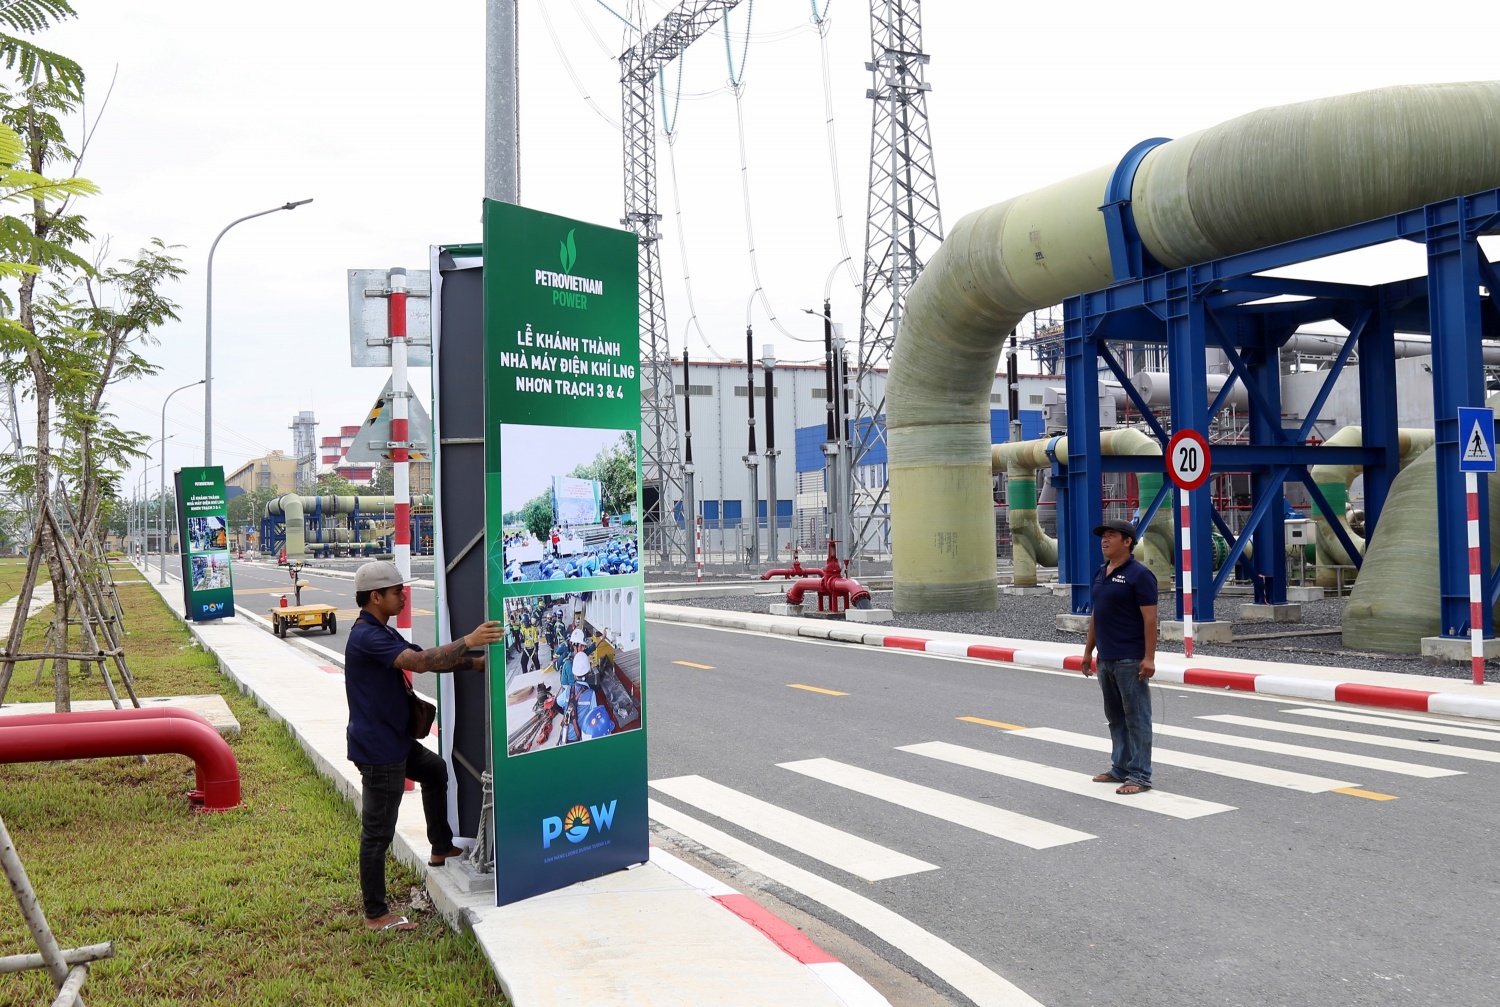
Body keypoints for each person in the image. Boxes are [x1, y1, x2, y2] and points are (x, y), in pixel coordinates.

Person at [344, 560, 504, 932]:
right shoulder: (366, 637)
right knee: (377, 833)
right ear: (375, 597)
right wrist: (469, 640)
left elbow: (431, 660)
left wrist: (474, 664)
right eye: (397, 591)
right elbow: (418, 663)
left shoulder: (381, 630)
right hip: (380, 751)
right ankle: (375, 914)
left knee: (434, 771)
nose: (403, 596)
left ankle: (441, 846)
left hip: (394, 741)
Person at [1079, 519, 1158, 796]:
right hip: (1106, 659)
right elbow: (1097, 615)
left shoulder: (1140, 575)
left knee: (1137, 718)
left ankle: (1140, 774)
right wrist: (1088, 652)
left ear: (1127, 542)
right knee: (1115, 718)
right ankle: (1120, 768)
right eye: (1103, 536)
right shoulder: (1101, 572)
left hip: (1129, 660)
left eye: (1111, 535)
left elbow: (1150, 619)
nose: (1104, 540)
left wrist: (1149, 658)